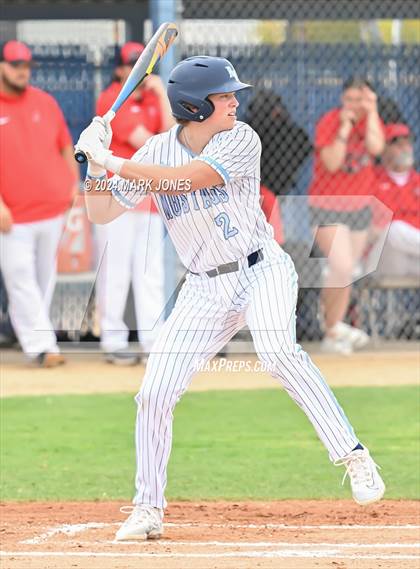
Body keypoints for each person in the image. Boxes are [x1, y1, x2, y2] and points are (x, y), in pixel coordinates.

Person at [75, 56, 386, 541]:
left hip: (261, 269)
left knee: (277, 350)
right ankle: (148, 508)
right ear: (195, 106)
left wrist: (112, 158)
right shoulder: (157, 148)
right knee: (154, 393)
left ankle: (354, 456)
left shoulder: (242, 139)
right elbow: (101, 211)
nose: (235, 102)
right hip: (203, 286)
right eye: (224, 96)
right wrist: (94, 165)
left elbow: (187, 180)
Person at [0, 40, 79, 367]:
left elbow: (65, 145)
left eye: (26, 66)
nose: (22, 71)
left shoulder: (44, 102)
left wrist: (73, 183)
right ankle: (44, 346)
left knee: (43, 280)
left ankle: (35, 340)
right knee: (20, 276)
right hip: (12, 216)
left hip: (52, 209)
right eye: (15, 65)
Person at [95, 42, 173, 365]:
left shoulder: (155, 99)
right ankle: (113, 340)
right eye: (133, 66)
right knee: (115, 272)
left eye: (144, 66)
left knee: (149, 273)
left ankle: (152, 341)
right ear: (119, 70)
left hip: (148, 200)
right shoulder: (111, 100)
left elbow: (171, 137)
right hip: (116, 201)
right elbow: (151, 141)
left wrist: (163, 95)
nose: (140, 73)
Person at [308, 77, 385, 355]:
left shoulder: (372, 123)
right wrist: (344, 126)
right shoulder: (330, 121)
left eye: (360, 100)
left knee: (348, 272)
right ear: (343, 99)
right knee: (340, 266)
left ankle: (334, 330)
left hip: (359, 208)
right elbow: (331, 162)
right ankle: (331, 328)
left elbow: (376, 148)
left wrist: (373, 110)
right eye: (350, 100)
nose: (355, 106)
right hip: (327, 205)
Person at [368, 123, 420, 278]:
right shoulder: (372, 180)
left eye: (407, 143)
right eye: (398, 144)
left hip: (415, 258)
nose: (405, 148)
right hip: (386, 259)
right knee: (393, 229)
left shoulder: (417, 181)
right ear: (384, 149)